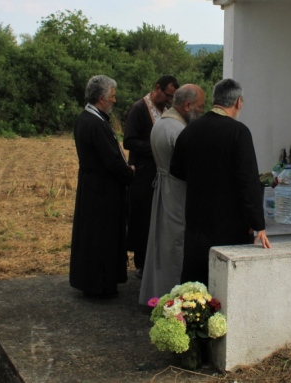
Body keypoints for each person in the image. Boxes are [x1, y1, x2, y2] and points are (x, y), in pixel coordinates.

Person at [170, 79, 271, 286]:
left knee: (197, 282)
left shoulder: (190, 130)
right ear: (238, 102)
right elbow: (248, 180)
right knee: (225, 284)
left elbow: (177, 171)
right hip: (229, 222)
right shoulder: (238, 132)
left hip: (196, 218)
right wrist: (258, 224)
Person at [138, 84, 205, 304]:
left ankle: (157, 291)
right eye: (200, 107)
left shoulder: (162, 122)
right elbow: (188, 167)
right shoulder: (177, 130)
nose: (202, 112)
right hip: (176, 192)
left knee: (162, 244)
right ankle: (173, 297)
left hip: (164, 188)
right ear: (187, 105)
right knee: (175, 245)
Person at [70, 75, 136, 297]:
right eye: (112, 96)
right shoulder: (96, 124)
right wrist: (129, 174)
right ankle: (100, 284)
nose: (114, 101)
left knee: (91, 234)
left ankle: (92, 281)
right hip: (102, 189)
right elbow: (112, 160)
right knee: (101, 236)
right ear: (101, 98)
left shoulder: (85, 118)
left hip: (92, 185)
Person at [123, 75, 179, 275]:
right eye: (167, 95)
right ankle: (141, 264)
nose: (168, 100)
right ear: (157, 88)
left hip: (158, 174)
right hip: (143, 174)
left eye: (172, 98)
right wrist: (156, 148)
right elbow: (129, 141)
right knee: (142, 218)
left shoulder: (165, 111)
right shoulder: (139, 109)